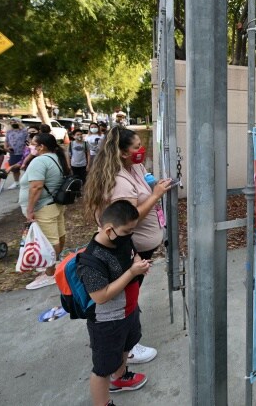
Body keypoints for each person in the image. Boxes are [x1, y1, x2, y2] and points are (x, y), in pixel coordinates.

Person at [83, 126, 171, 365]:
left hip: (139, 247)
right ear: (122, 152)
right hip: (130, 249)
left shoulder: (133, 166)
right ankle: (127, 348)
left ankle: (127, 340)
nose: (141, 149)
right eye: (136, 147)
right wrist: (156, 195)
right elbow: (128, 218)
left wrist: (152, 184)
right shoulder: (119, 182)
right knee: (125, 298)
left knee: (131, 293)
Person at [80, 200, 151, 405]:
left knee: (127, 345)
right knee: (103, 368)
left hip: (129, 310)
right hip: (107, 321)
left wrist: (139, 263)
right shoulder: (92, 260)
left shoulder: (122, 240)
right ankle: (103, 402)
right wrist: (132, 272)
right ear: (109, 230)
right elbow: (100, 296)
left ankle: (119, 378)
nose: (130, 235)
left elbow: (133, 254)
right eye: (127, 231)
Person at [19, 133, 69, 289]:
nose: (30, 146)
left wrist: (30, 210)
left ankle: (50, 273)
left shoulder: (39, 161)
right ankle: (54, 264)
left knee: (49, 241)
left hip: (43, 207)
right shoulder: (56, 157)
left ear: (41, 146)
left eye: (33, 144)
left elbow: (36, 187)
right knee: (58, 236)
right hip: (54, 204)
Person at [5, 119, 28, 189]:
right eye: (11, 122)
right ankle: (16, 183)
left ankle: (27, 182)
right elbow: (6, 141)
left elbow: (28, 141)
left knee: (26, 167)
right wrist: (6, 148)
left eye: (15, 122)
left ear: (19, 122)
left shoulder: (24, 131)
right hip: (13, 153)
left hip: (23, 153)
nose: (13, 123)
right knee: (14, 169)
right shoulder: (9, 131)